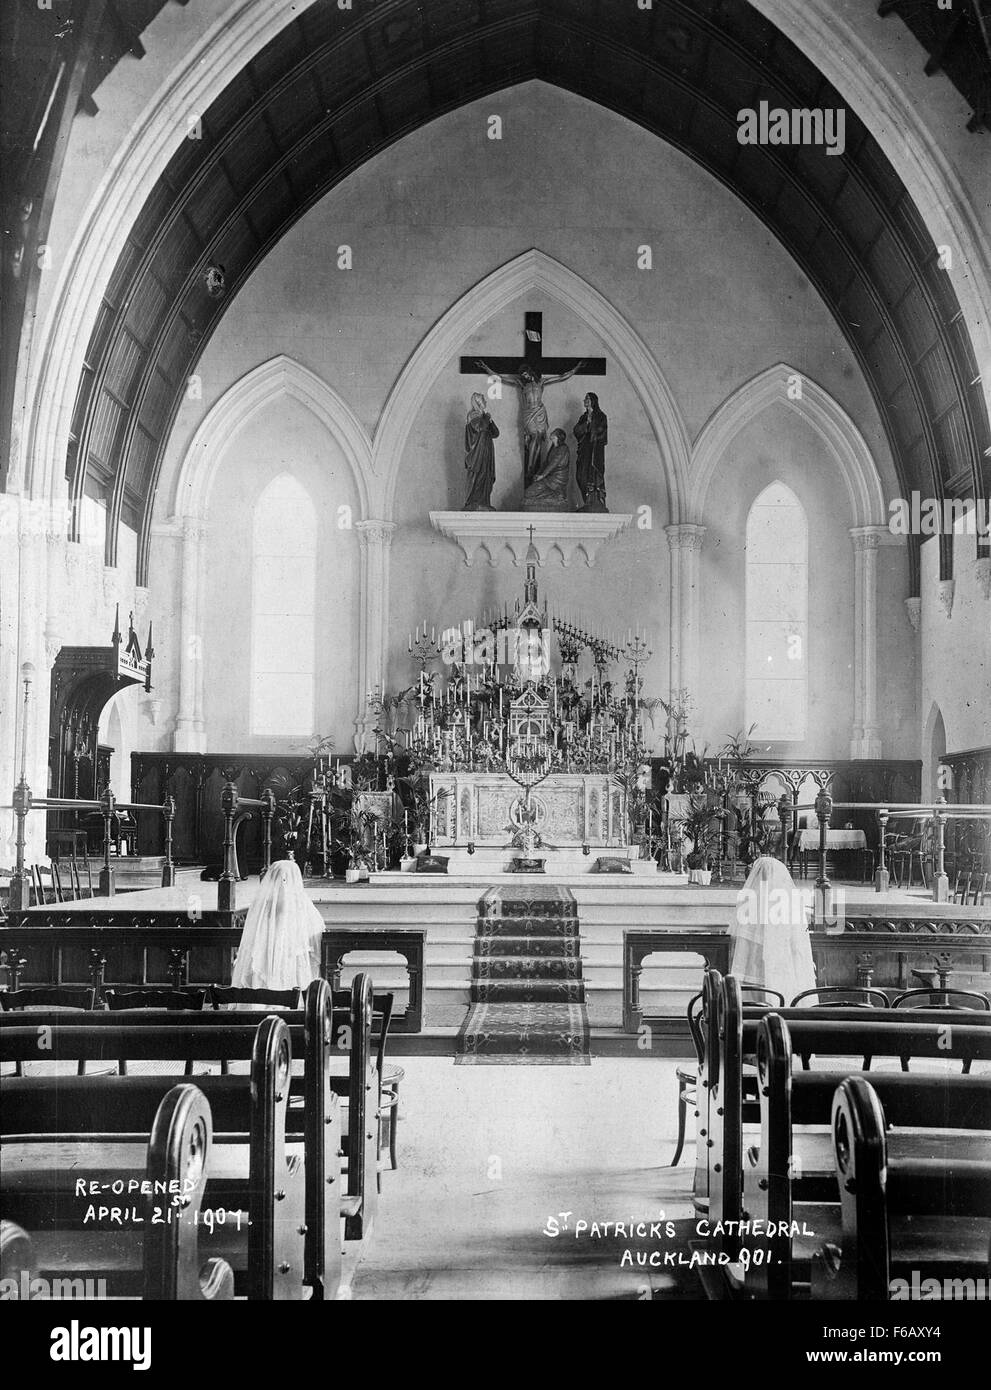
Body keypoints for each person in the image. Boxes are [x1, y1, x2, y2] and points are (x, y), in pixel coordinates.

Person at [475, 357, 586, 487]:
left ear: (530, 372)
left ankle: (533, 467)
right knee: (534, 437)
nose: (524, 376)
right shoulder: (522, 384)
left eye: (525, 374)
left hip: (540, 412)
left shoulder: (541, 383)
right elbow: (500, 378)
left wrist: (576, 368)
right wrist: (485, 368)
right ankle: (530, 466)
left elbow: (561, 377)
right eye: (522, 375)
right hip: (529, 413)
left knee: (539, 438)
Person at [729, 855, 816, 1004]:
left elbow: (736, 942)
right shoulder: (789, 907)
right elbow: (798, 947)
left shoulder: (749, 907)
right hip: (780, 978)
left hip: (752, 978)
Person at [231, 857, 323, 991]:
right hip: (285, 955)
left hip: (271, 955)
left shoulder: (263, 904)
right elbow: (317, 927)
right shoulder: (300, 903)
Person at [463, 392, 499, 509]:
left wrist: (491, 421)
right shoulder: (473, 415)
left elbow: (495, 433)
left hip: (486, 450)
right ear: (478, 402)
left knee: (487, 476)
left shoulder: (483, 416)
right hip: (477, 453)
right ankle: (475, 502)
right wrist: (486, 417)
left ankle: (484, 502)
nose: (486, 402)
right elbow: (480, 427)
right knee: (479, 476)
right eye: (484, 400)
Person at [574, 392, 608, 510]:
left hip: (595, 451)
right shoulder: (583, 417)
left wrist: (592, 424)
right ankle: (586, 500)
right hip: (584, 450)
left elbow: (602, 433)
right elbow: (576, 431)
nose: (585, 400)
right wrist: (586, 423)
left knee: (593, 475)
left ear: (593, 401)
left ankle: (595, 501)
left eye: (587, 399)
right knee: (580, 475)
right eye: (585, 399)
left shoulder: (601, 416)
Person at [522, 427, 571, 510]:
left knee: (529, 493)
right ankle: (554, 494)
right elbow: (546, 463)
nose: (551, 433)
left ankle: (557, 493)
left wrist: (542, 476)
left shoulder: (563, 448)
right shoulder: (553, 447)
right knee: (528, 493)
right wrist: (538, 474)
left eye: (554, 433)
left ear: (557, 437)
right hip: (548, 478)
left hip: (557, 480)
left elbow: (553, 464)